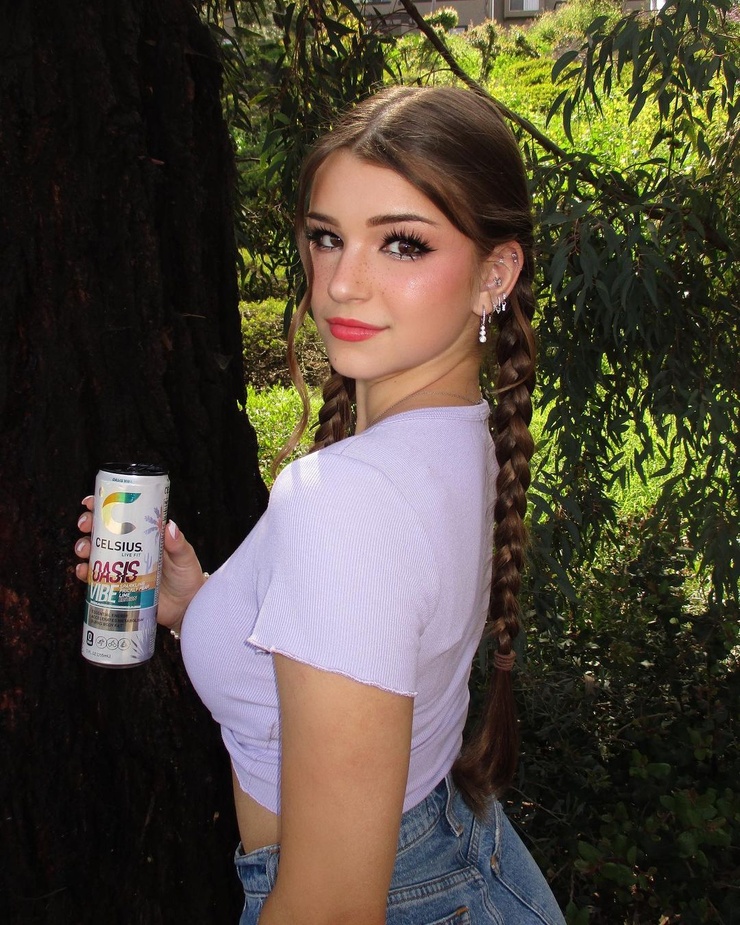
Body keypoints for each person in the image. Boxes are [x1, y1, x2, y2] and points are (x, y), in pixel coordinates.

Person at [75, 85, 565, 925]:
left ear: (495, 274)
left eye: (402, 243)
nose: (340, 283)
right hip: (459, 864)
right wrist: (204, 606)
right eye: (327, 237)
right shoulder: (462, 433)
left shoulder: (348, 494)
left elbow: (331, 906)